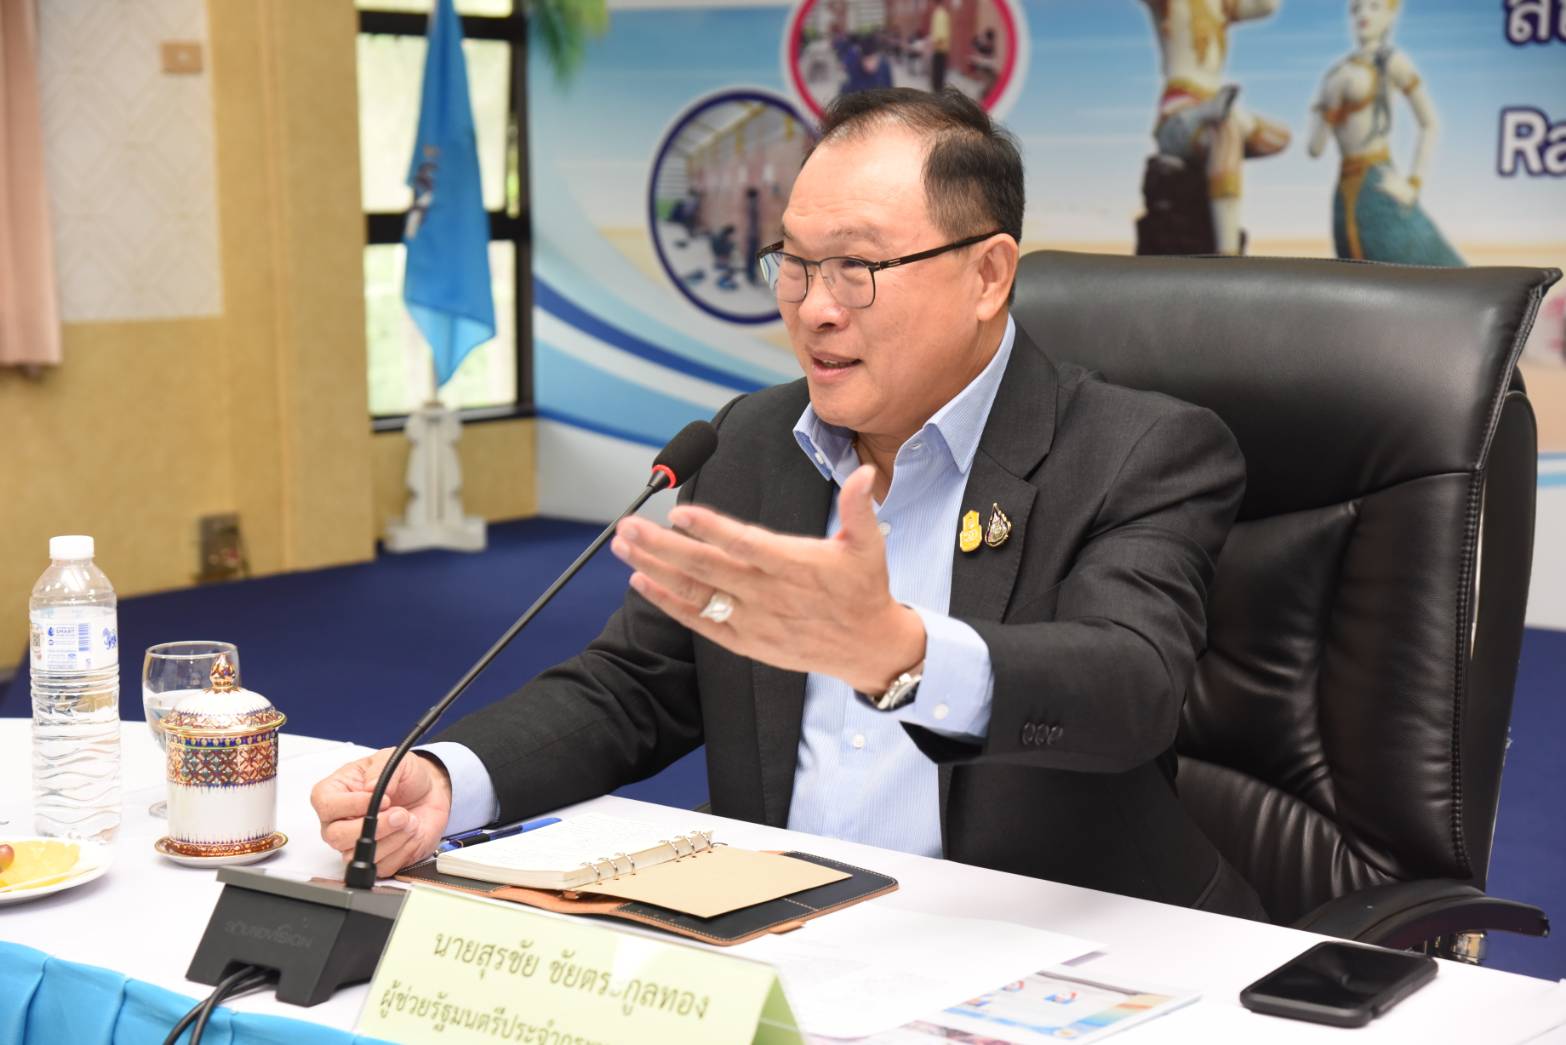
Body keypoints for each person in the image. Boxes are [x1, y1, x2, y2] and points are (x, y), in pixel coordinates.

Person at [311, 87, 1265, 920]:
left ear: (988, 275)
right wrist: (448, 781)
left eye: (858, 268)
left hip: (1047, 952)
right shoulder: (751, 443)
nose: (814, 308)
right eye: (796, 264)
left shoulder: (1139, 450)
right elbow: (636, 686)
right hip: (788, 934)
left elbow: (1131, 686)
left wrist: (900, 654)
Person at [1305, 0, 1462, 265]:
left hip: (1379, 183)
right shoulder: (1337, 71)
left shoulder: (1390, 61)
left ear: (1391, 15)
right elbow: (1315, 148)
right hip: (1344, 192)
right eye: (1356, 8)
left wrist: (1413, 184)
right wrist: (1326, 107)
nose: (1363, 14)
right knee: (1354, 272)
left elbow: (1430, 123)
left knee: (1408, 267)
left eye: (1374, 6)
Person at [1140, 0, 1291, 255]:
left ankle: (1220, 112)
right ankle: (1227, 252)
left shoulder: (1221, 5)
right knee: (1225, 130)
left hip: (1214, 110)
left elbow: (1266, 6)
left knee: (1278, 137)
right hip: (1178, 114)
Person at [929, 0, 951, 93]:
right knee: (940, 74)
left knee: (937, 75)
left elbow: (940, 35)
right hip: (942, 48)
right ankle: (938, 92)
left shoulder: (939, 14)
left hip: (939, 49)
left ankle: (937, 94)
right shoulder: (944, 14)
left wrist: (933, 45)